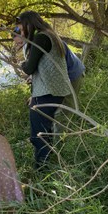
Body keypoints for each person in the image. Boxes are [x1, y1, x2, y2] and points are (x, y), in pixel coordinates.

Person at [17, 11, 71, 170]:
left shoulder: (41, 37)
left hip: (47, 92)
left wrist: (21, 63)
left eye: (23, 28)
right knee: (46, 130)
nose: (23, 32)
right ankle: (48, 163)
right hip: (56, 91)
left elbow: (29, 68)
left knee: (38, 133)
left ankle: (41, 169)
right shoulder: (51, 35)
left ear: (29, 24)